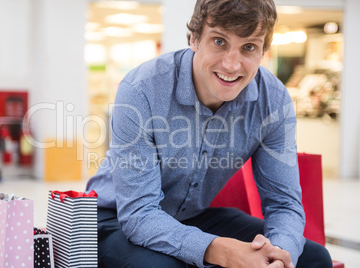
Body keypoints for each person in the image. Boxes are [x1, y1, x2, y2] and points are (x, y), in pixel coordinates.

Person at [86, 0, 333, 267]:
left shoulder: (272, 99)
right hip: (115, 217)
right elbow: (138, 215)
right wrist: (219, 250)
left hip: (192, 217)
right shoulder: (142, 89)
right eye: (219, 42)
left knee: (313, 258)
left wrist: (278, 254)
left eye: (248, 47)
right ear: (194, 39)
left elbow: (284, 203)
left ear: (264, 51)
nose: (231, 64)